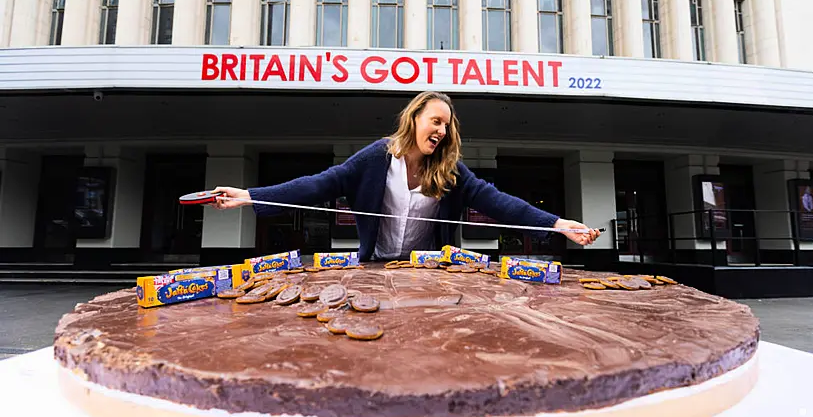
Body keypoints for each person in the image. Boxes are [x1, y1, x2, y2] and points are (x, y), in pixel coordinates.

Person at [213, 91, 600, 261]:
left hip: (427, 270)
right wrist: (250, 195)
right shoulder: (374, 159)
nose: (442, 131)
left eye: (447, 126)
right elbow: (319, 184)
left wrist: (557, 224)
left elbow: (498, 203)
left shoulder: (450, 172)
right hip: (374, 267)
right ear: (414, 118)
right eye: (436, 121)